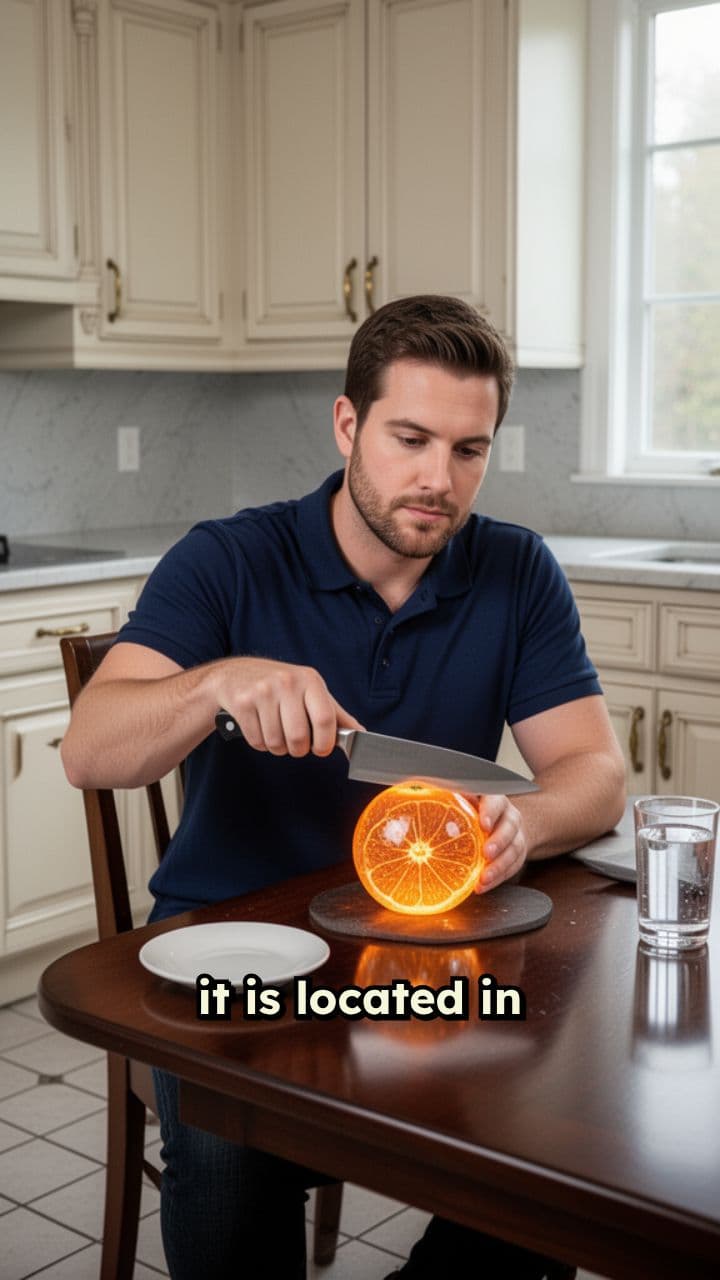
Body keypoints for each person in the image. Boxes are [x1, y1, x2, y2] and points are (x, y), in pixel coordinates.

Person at [62, 294, 625, 1279]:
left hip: (433, 951)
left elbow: (596, 773)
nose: (437, 480)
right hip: (234, 964)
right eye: (410, 438)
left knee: (560, 1161)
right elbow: (90, 751)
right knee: (234, 1157)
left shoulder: (515, 568)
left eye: (468, 449)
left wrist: (520, 822)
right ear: (348, 423)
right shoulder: (229, 559)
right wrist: (215, 682)